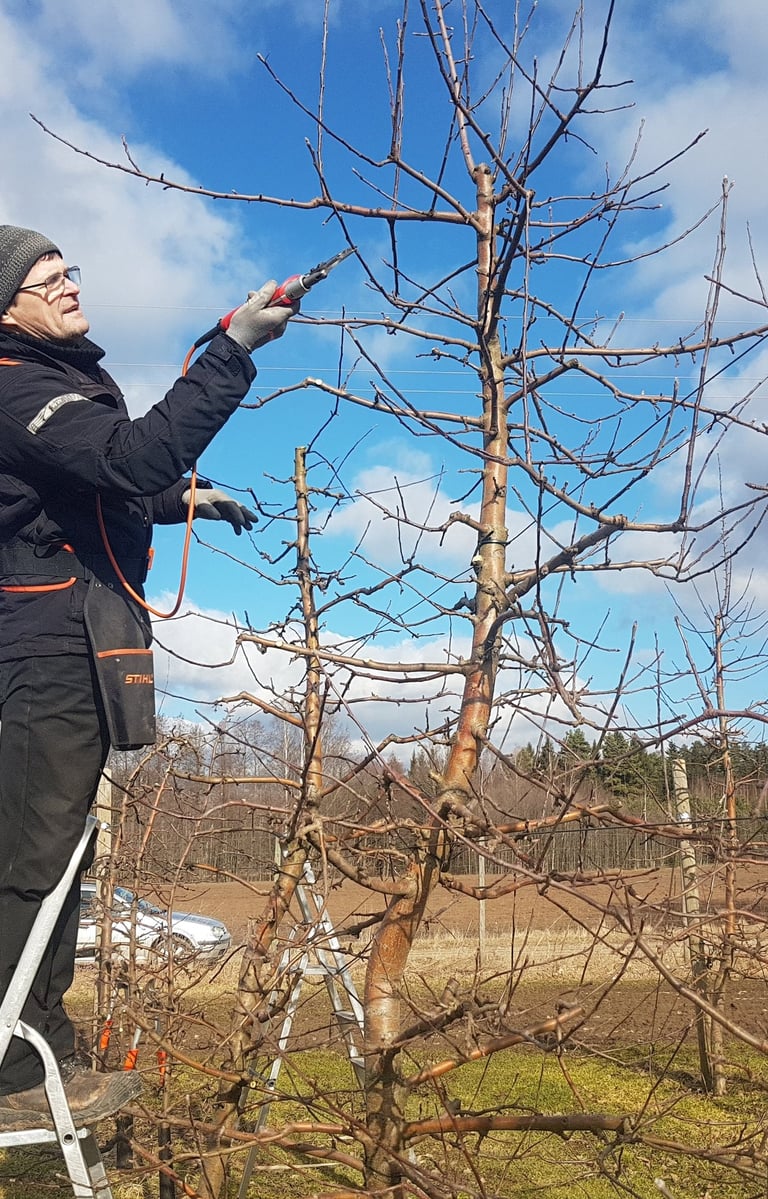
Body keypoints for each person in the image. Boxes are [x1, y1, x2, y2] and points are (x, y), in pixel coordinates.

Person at [0, 224, 298, 1122]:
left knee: (58, 858)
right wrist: (234, 350)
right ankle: (11, 1069)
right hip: (46, 649)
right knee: (30, 858)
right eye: (45, 280)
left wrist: (179, 501)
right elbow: (126, 457)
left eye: (68, 272)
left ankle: (36, 1040)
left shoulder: (52, 381)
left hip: (68, 643)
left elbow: (103, 482)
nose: (68, 288)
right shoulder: (17, 388)